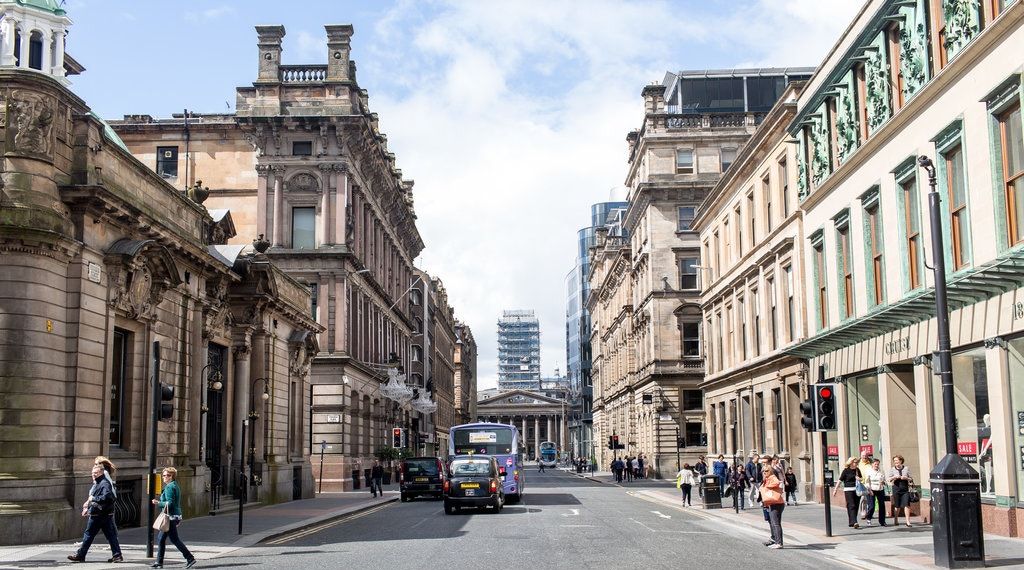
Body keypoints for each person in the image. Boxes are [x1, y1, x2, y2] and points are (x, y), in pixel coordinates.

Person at [68, 463, 123, 563]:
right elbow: (94, 498)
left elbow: (107, 497)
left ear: (101, 472)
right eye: (92, 473)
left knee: (89, 535)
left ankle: (81, 555)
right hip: (101, 514)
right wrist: (88, 507)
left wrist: (93, 498)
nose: (93, 475)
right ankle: (117, 555)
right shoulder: (99, 482)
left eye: (96, 473)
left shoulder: (104, 483)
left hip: (100, 515)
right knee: (110, 536)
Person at [150, 467, 195, 569]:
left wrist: (158, 503)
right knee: (161, 539)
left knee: (174, 539)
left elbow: (169, 504)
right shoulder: (174, 485)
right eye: (164, 475)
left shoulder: (170, 487)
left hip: (170, 517)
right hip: (173, 516)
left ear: (172, 477)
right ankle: (159, 562)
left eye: (168, 475)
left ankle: (190, 558)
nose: (165, 477)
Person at [760, 464, 786, 549]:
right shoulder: (767, 478)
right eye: (763, 471)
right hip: (772, 503)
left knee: (776, 524)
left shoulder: (772, 477)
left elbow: (777, 482)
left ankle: (779, 543)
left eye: (766, 471)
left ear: (770, 471)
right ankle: (778, 542)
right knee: (775, 523)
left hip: (777, 503)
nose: (764, 472)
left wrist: (767, 486)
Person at [833, 457, 862, 529]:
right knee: (851, 505)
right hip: (848, 490)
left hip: (857, 490)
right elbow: (840, 480)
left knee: (856, 505)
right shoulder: (845, 471)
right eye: (855, 462)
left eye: (857, 463)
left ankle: (852, 521)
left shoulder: (857, 470)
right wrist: (835, 489)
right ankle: (855, 521)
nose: (856, 464)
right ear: (851, 463)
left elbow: (861, 478)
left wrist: (859, 479)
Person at [887, 455, 914, 528]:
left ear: (901, 461)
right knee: (897, 505)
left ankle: (908, 522)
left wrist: (906, 478)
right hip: (896, 488)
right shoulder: (892, 469)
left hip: (905, 489)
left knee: (907, 504)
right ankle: (896, 519)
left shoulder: (906, 468)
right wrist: (894, 477)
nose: (895, 462)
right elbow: (889, 479)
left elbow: (911, 478)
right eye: (894, 461)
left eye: (897, 460)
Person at [863, 458, 887, 526]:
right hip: (871, 489)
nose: (876, 465)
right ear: (872, 464)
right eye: (875, 464)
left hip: (880, 489)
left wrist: (883, 482)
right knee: (872, 506)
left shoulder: (881, 471)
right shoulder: (868, 471)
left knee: (882, 505)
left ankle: (882, 521)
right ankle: (869, 518)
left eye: (878, 464)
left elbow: (885, 481)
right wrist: (869, 490)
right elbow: (867, 482)